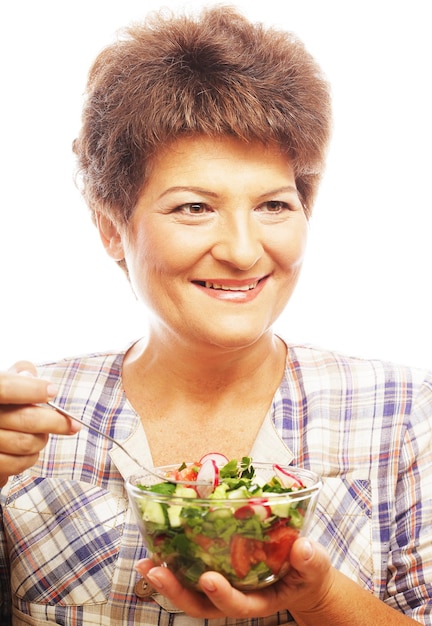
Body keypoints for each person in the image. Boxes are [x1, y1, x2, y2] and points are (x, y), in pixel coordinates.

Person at [0, 5, 431, 625]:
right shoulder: (28, 430)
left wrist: (319, 597)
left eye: (275, 205)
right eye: (194, 207)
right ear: (111, 229)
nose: (243, 250)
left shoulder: (404, 415)